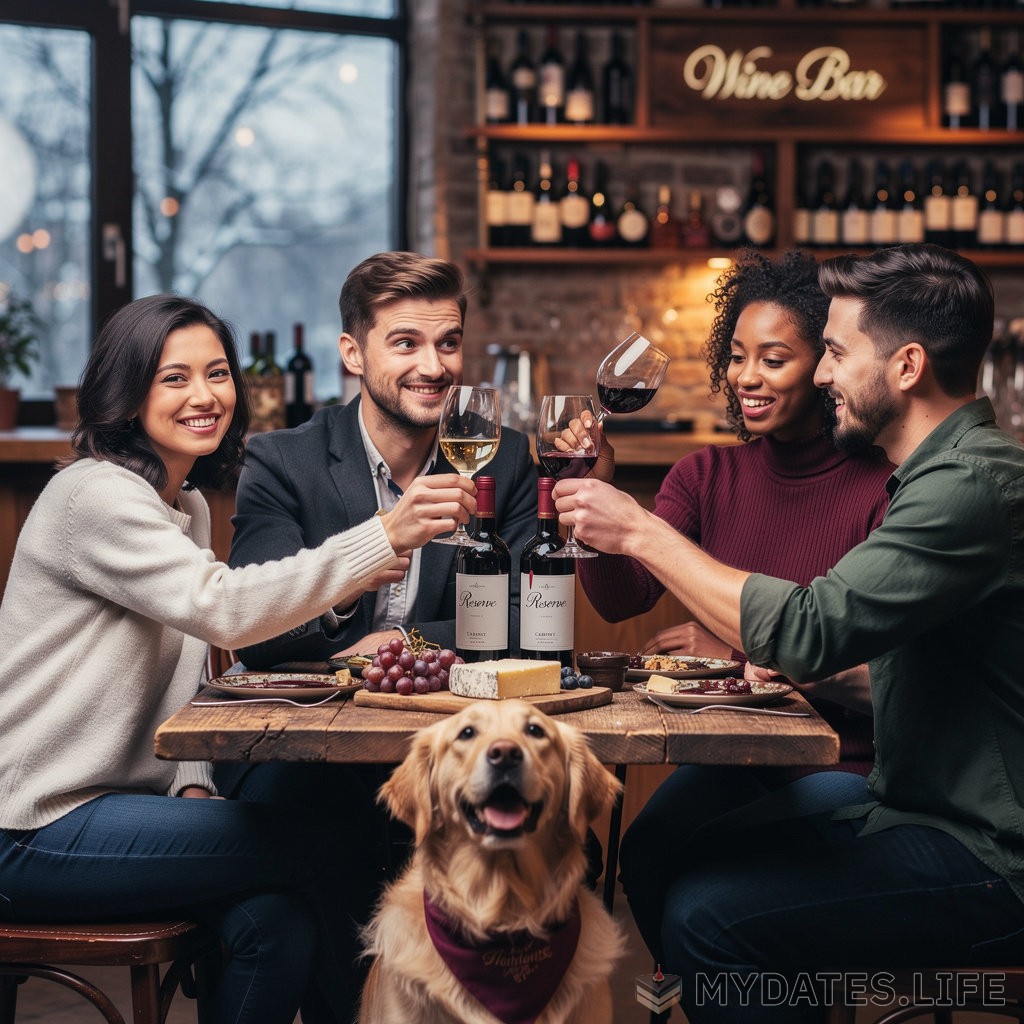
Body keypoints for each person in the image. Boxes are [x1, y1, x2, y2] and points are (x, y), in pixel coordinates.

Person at [554, 243, 1024, 1022]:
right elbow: (859, 650)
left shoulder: (967, 487)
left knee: (710, 916)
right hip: (916, 806)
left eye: (834, 352)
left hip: (990, 852)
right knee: (669, 855)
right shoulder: (937, 475)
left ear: (905, 367)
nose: (825, 373)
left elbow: (809, 629)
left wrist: (640, 531)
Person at [0, 294, 475, 1024]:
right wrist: (383, 537)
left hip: (113, 812)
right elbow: (221, 606)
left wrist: (191, 782)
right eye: (174, 378)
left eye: (217, 373)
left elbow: (192, 667)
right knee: (326, 838)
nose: (204, 395)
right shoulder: (92, 495)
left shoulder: (180, 503)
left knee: (273, 920)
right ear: (125, 393)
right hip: (33, 828)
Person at [570, 250, 894, 963]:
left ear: (825, 366)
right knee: (651, 852)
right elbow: (621, 601)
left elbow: (868, 661)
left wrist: (735, 651)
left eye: (774, 359)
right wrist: (598, 496)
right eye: (739, 356)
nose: (748, 377)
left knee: (707, 881)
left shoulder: (884, 486)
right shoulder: (706, 473)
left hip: (845, 764)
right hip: (732, 752)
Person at [228, 250, 537, 667]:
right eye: (406, 343)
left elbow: (528, 621)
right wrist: (344, 592)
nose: (433, 366)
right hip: (312, 719)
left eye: (448, 343)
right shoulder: (281, 462)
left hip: (455, 716)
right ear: (353, 354)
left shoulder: (505, 460)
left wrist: (402, 642)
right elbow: (253, 633)